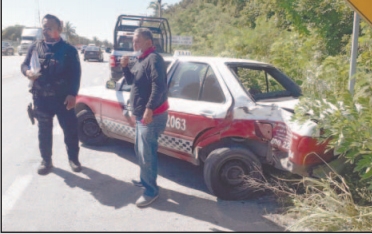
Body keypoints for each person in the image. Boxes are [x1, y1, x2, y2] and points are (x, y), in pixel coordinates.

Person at [21, 14, 82, 175]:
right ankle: (46, 161)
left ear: (59, 29)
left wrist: (72, 94)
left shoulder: (68, 50)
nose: (45, 30)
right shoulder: (35, 47)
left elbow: (75, 74)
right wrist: (27, 72)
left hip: (63, 99)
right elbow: (24, 64)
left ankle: (73, 159)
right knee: (44, 132)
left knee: (70, 130)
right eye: (44, 27)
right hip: (41, 99)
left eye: (49, 28)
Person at [120, 28, 168, 207]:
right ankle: (145, 179)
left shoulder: (154, 59)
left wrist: (149, 109)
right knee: (140, 151)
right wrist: (125, 67)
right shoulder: (141, 59)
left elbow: (159, 86)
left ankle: (151, 191)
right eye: (133, 41)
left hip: (152, 115)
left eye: (137, 41)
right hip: (141, 114)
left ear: (148, 42)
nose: (134, 44)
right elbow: (132, 82)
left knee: (146, 153)